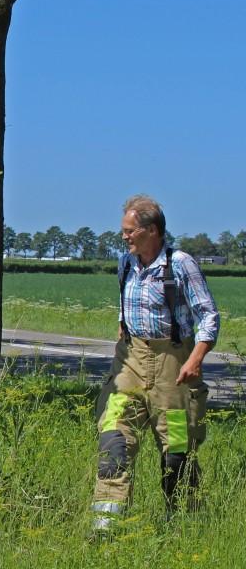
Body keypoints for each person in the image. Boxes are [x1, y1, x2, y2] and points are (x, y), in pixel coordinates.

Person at [90, 194, 219, 536]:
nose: (124, 236)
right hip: (129, 364)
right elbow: (126, 306)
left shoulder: (181, 264)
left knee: (177, 449)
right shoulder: (126, 263)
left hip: (173, 367)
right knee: (113, 439)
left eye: (130, 231)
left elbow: (208, 316)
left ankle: (182, 524)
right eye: (124, 231)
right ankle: (105, 528)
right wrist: (124, 332)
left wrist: (195, 359)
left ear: (152, 230)